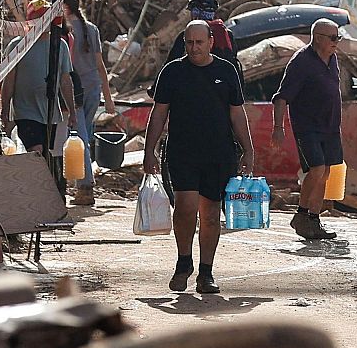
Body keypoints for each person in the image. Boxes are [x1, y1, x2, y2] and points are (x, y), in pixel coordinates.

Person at [143, 21, 255, 294]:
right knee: (185, 208)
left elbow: (237, 113)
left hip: (219, 153)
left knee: (211, 214)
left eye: (199, 43)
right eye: (189, 43)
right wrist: (149, 149)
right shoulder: (173, 72)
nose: (194, 48)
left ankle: (206, 272)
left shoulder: (226, 71)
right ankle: (184, 263)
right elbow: (159, 113)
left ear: (210, 43)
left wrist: (248, 150)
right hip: (182, 152)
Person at [272, 18, 343, 241]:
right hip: (308, 126)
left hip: (330, 126)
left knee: (327, 173)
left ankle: (313, 219)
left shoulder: (332, 59)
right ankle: (301, 215)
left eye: (337, 37)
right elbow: (281, 98)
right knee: (317, 169)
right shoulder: (301, 62)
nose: (336, 42)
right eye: (332, 38)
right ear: (318, 38)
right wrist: (278, 127)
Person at [0, 0, 74, 157]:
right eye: (40, 18)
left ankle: (40, 181)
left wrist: (73, 112)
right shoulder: (17, 46)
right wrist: (5, 110)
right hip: (25, 112)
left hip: (50, 113)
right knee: (36, 151)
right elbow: (9, 81)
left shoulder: (60, 46)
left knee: (45, 154)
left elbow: (65, 81)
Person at [62, 0, 116, 204]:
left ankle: (85, 186)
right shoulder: (91, 29)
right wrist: (108, 96)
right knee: (85, 133)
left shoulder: (62, 29)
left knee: (78, 135)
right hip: (93, 85)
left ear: (65, 7)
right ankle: (81, 184)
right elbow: (100, 65)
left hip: (75, 89)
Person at [166, 0, 239, 72]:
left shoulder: (187, 35)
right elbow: (234, 63)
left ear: (196, 13)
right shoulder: (227, 34)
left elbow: (170, 66)